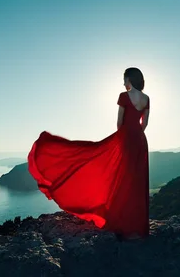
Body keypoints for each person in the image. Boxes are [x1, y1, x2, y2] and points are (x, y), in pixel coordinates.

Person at [28, 67, 150, 240]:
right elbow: (144, 124)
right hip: (140, 140)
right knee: (136, 180)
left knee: (120, 176)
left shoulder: (124, 96)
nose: (123, 83)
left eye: (124, 79)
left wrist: (121, 139)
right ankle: (136, 227)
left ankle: (122, 222)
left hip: (126, 139)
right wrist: (136, 134)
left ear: (129, 79)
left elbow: (119, 122)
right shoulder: (146, 99)